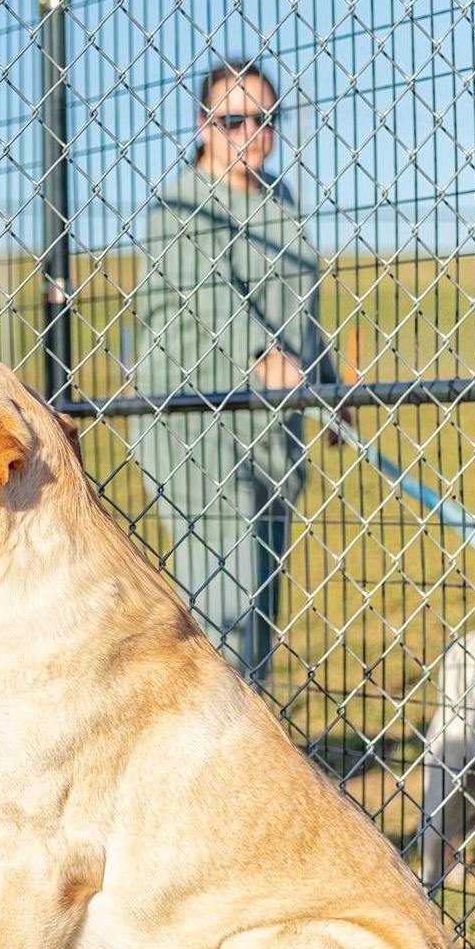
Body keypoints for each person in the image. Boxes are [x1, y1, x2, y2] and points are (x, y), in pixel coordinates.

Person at [133, 58, 328, 689]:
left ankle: (243, 734)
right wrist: (261, 355)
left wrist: (325, 385)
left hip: (275, 426)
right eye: (234, 119)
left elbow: (303, 309)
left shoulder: (283, 201)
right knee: (226, 595)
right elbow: (212, 299)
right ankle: (213, 750)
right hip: (196, 425)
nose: (251, 133)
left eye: (265, 119)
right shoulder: (179, 206)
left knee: (261, 594)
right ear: (203, 124)